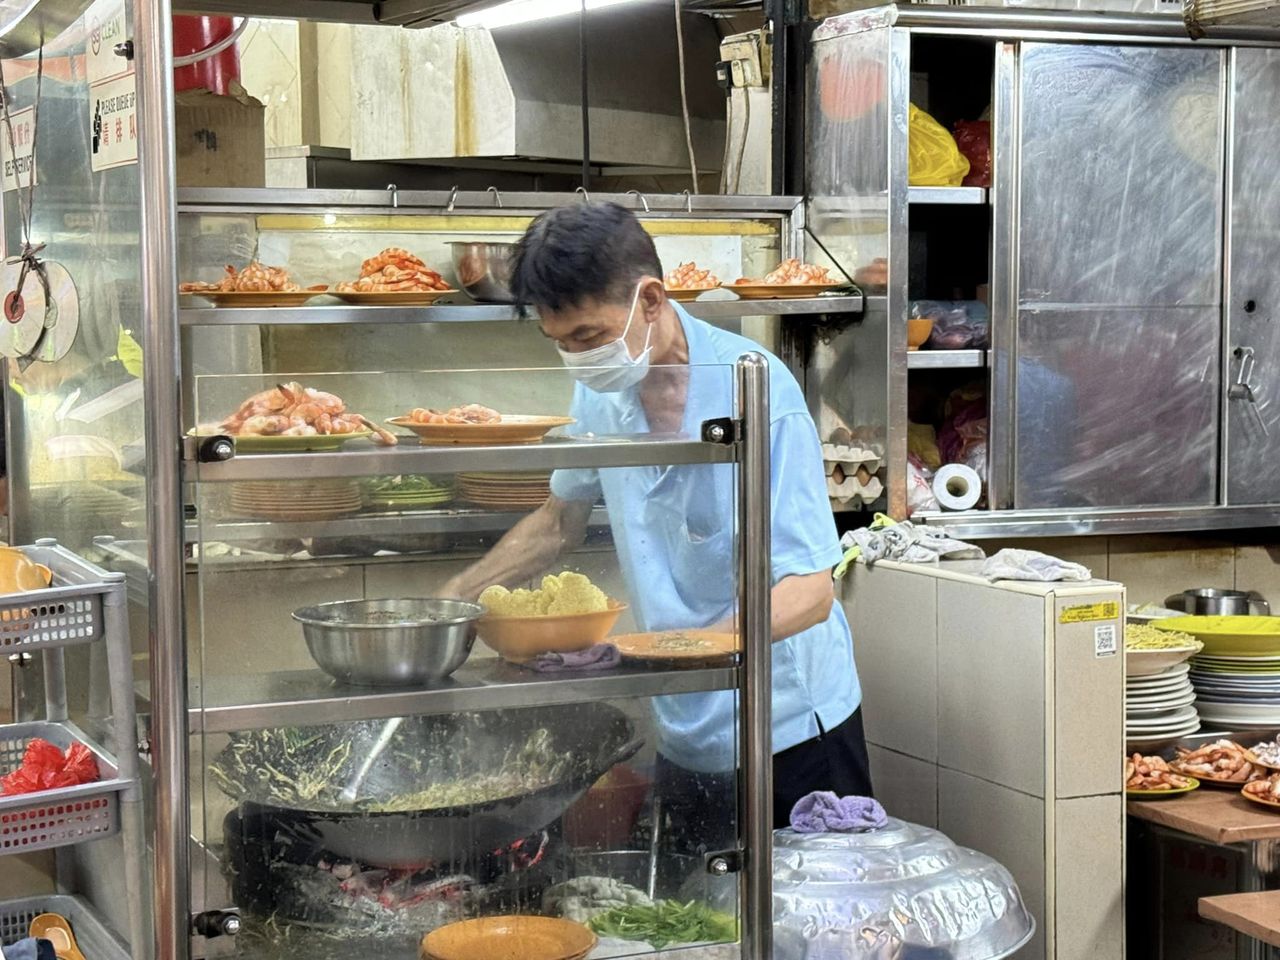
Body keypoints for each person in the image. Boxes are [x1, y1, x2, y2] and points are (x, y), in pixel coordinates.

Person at [442, 202, 870, 849]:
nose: (577, 359)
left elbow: (809, 592)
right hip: (686, 723)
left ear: (651, 299)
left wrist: (674, 653)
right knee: (700, 926)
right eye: (557, 343)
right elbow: (558, 523)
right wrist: (450, 603)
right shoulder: (602, 391)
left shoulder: (757, 390)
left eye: (587, 337)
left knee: (812, 933)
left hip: (787, 722)